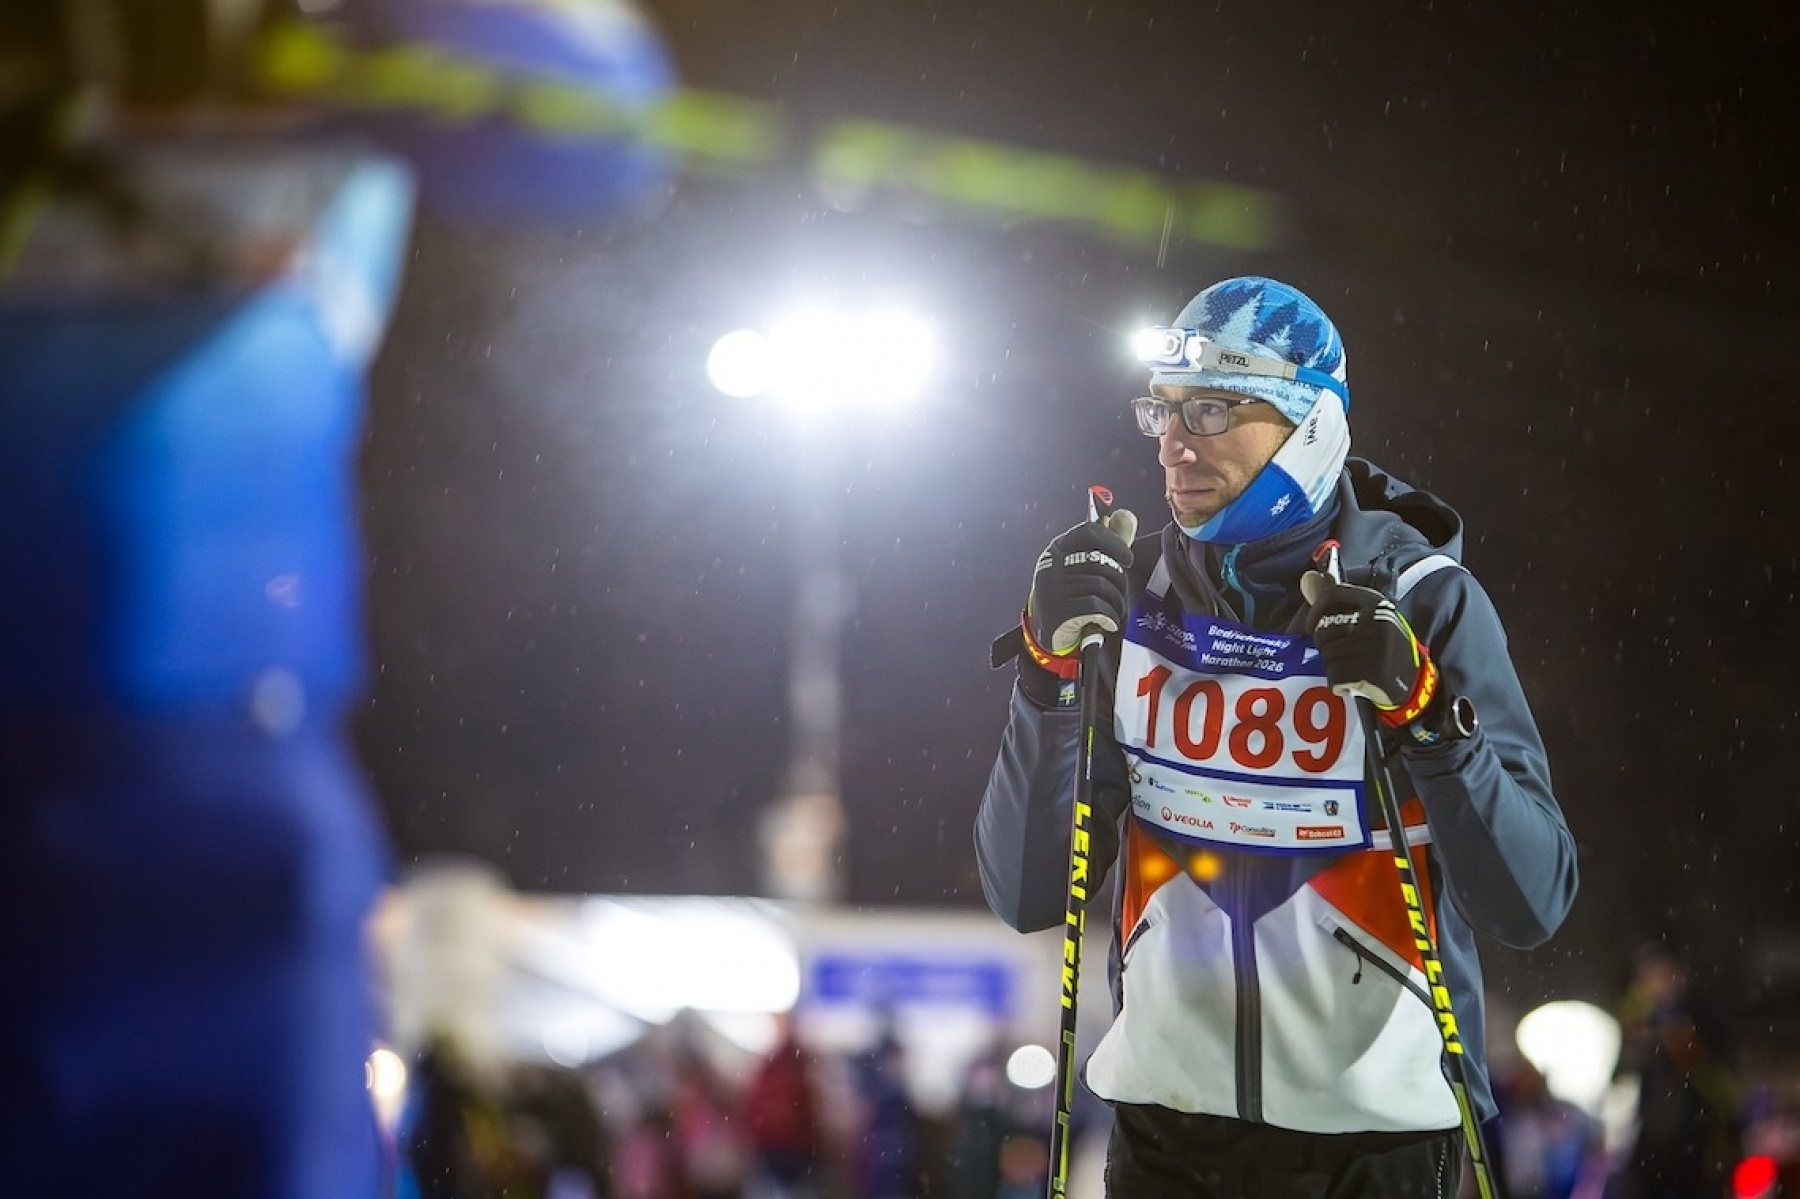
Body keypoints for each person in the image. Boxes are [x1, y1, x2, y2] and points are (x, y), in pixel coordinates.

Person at [975, 276, 1579, 1196]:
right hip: (1166, 1135)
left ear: (1310, 426)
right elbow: (1027, 891)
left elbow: (1531, 900)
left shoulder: (1424, 601)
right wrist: (1044, 675)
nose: (1174, 443)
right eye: (1163, 410)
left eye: (1212, 409)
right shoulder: (1131, 597)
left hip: (1372, 1145)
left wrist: (1426, 717)